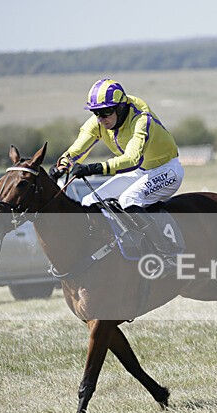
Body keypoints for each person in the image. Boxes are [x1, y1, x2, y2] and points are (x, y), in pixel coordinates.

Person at [50, 78, 184, 270]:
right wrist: (62, 165)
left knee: (130, 199)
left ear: (121, 109)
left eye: (106, 112)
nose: (101, 119)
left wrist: (93, 168)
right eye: (96, 113)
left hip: (167, 170)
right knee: (89, 201)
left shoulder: (142, 120)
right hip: (142, 172)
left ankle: (165, 255)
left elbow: (132, 159)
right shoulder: (98, 122)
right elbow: (77, 150)